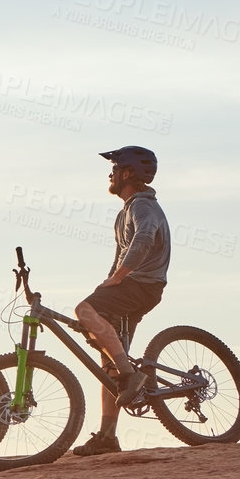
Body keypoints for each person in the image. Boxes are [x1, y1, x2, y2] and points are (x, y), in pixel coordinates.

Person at [72, 146, 170, 457]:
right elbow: (118, 261)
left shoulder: (142, 206)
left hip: (141, 285)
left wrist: (116, 281)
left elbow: (142, 240)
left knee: (83, 309)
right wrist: (109, 283)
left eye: (114, 169)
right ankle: (107, 437)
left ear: (127, 174)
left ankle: (131, 375)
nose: (110, 174)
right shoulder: (125, 210)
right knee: (109, 362)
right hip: (137, 286)